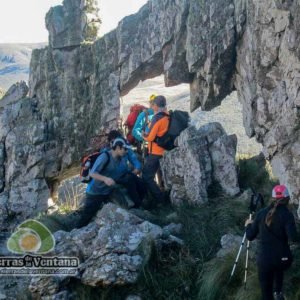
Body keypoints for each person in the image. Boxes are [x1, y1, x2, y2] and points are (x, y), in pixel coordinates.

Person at [77, 137, 145, 228]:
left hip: (110, 190)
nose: (126, 151)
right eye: (125, 149)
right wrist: (105, 179)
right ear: (117, 147)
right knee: (86, 216)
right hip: (96, 192)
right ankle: (76, 231)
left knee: (123, 208)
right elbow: (92, 173)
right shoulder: (105, 157)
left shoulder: (121, 159)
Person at [245, 185, 298, 300]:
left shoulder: (260, 214)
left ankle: (274, 293)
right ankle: (278, 292)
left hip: (264, 260)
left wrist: (248, 224)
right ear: (287, 198)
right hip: (283, 259)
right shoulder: (287, 215)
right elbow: (293, 238)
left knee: (266, 293)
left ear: (272, 198)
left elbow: (250, 236)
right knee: (279, 263)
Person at [142, 95, 169, 203]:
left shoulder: (157, 118)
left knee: (147, 176)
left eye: (153, 105)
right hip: (165, 150)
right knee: (161, 175)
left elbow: (150, 137)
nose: (152, 107)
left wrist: (144, 135)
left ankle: (160, 199)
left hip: (155, 152)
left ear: (157, 106)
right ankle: (164, 195)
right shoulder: (167, 116)